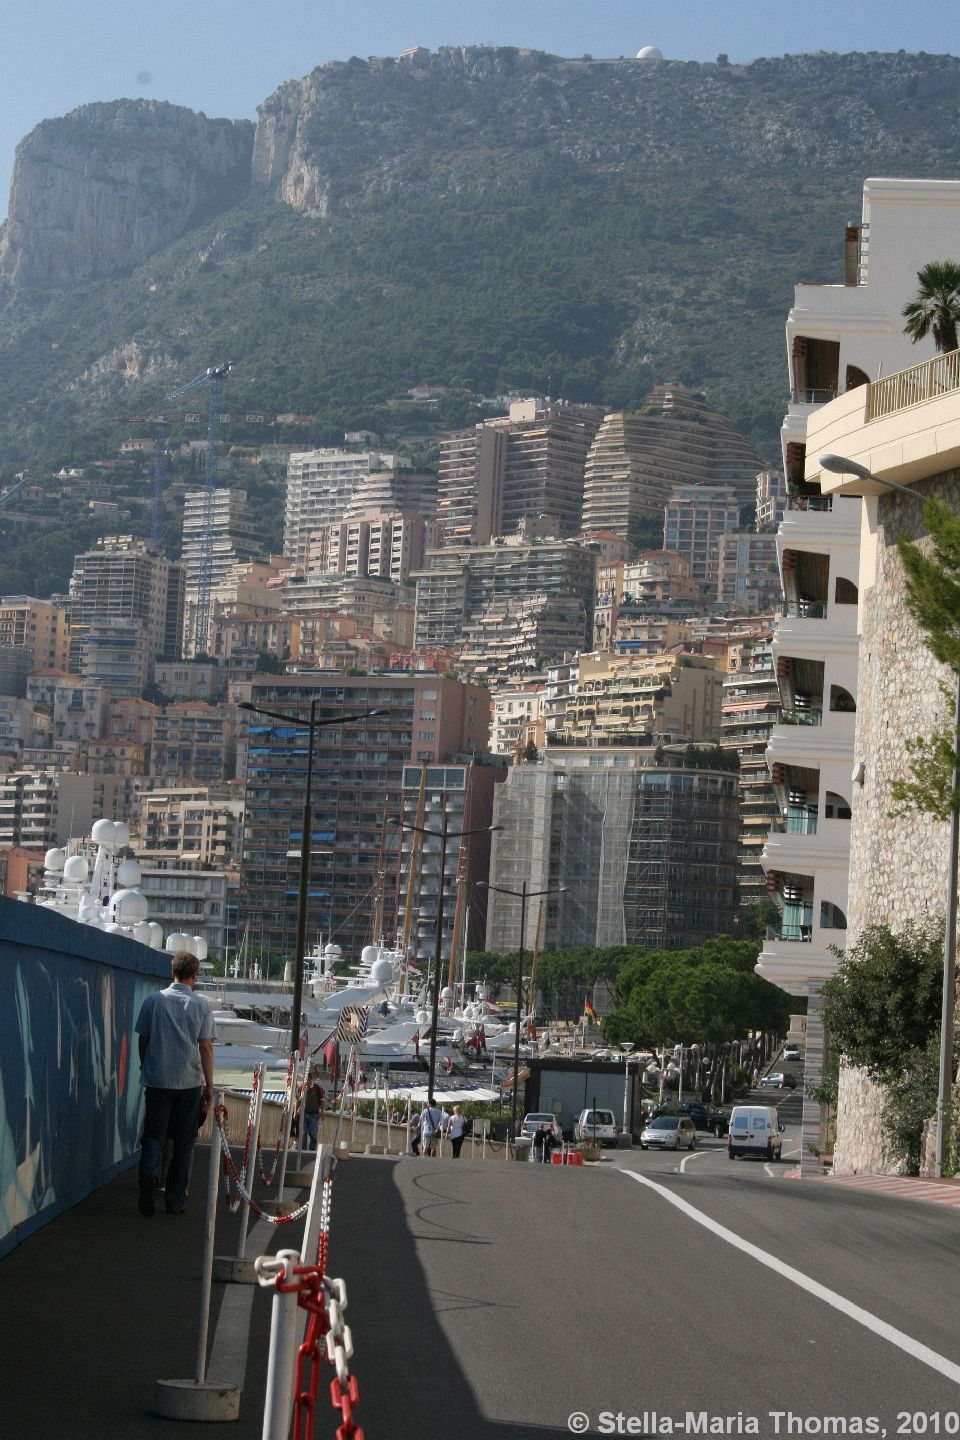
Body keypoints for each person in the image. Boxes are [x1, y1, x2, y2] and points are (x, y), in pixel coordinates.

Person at [135, 950, 215, 1217]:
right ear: (195, 975)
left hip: (157, 1080)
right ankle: (174, 1200)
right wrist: (209, 1086)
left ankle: (148, 1177)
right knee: (184, 1142)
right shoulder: (202, 1006)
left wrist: (146, 1065)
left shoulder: (153, 1001)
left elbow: (143, 1039)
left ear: (173, 972)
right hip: (189, 1083)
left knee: (154, 1136)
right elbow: (205, 1047)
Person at [302, 1069, 326, 1151]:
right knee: (303, 1132)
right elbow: (297, 1100)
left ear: (310, 1079)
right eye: (304, 1080)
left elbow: (322, 1101)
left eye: (307, 1080)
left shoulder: (316, 1088)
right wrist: (296, 1111)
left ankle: (312, 1148)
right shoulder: (302, 1088)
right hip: (303, 1113)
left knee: (312, 1132)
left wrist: (322, 1113)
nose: (306, 1082)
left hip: (314, 1114)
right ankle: (303, 1149)